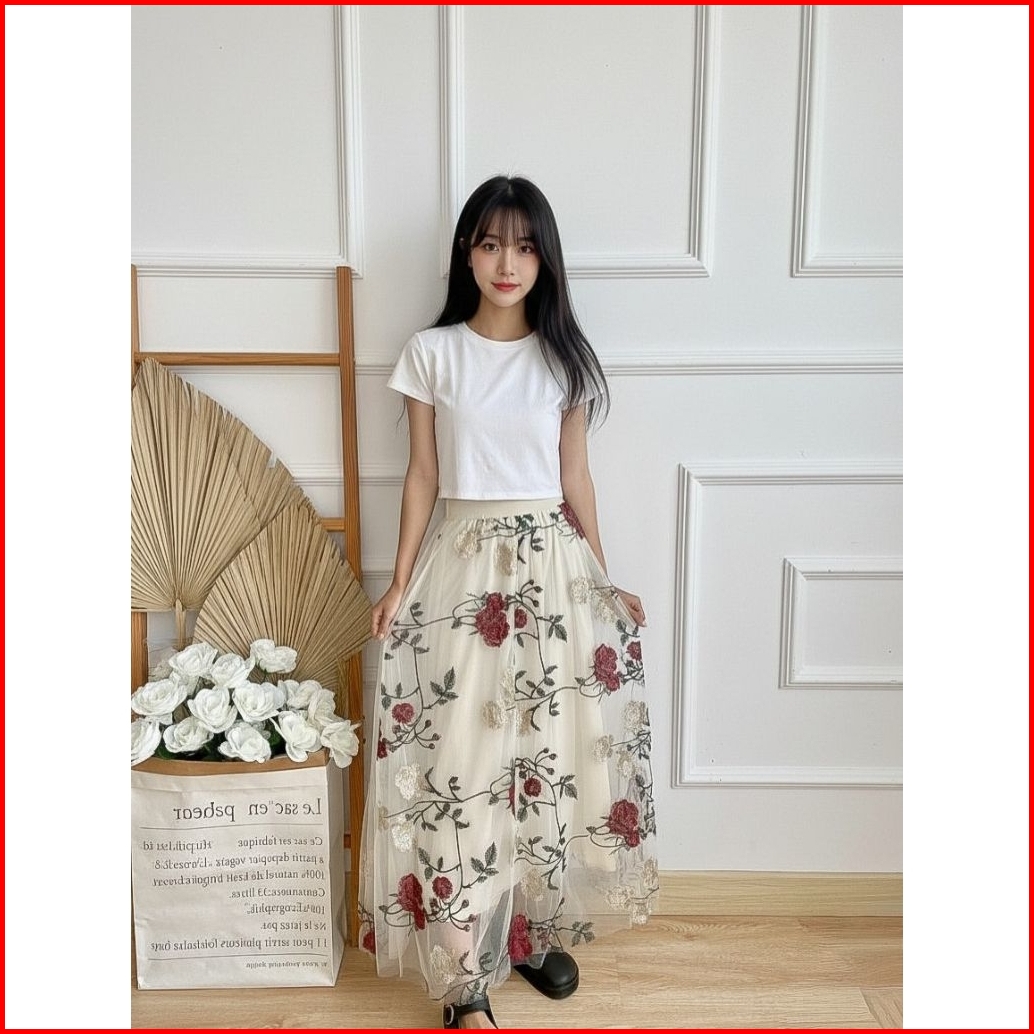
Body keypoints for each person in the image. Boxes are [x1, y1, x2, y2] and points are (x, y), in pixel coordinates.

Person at [357, 175, 658, 1030]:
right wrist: (398, 581)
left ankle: (520, 930)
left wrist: (603, 576)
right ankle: (465, 977)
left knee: (543, 757)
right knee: (463, 763)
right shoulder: (434, 353)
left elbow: (575, 479)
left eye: (525, 246)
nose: (507, 262)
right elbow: (423, 476)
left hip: (552, 573)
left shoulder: (563, 358)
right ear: (467, 252)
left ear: (544, 259)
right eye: (491, 243)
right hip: (462, 568)